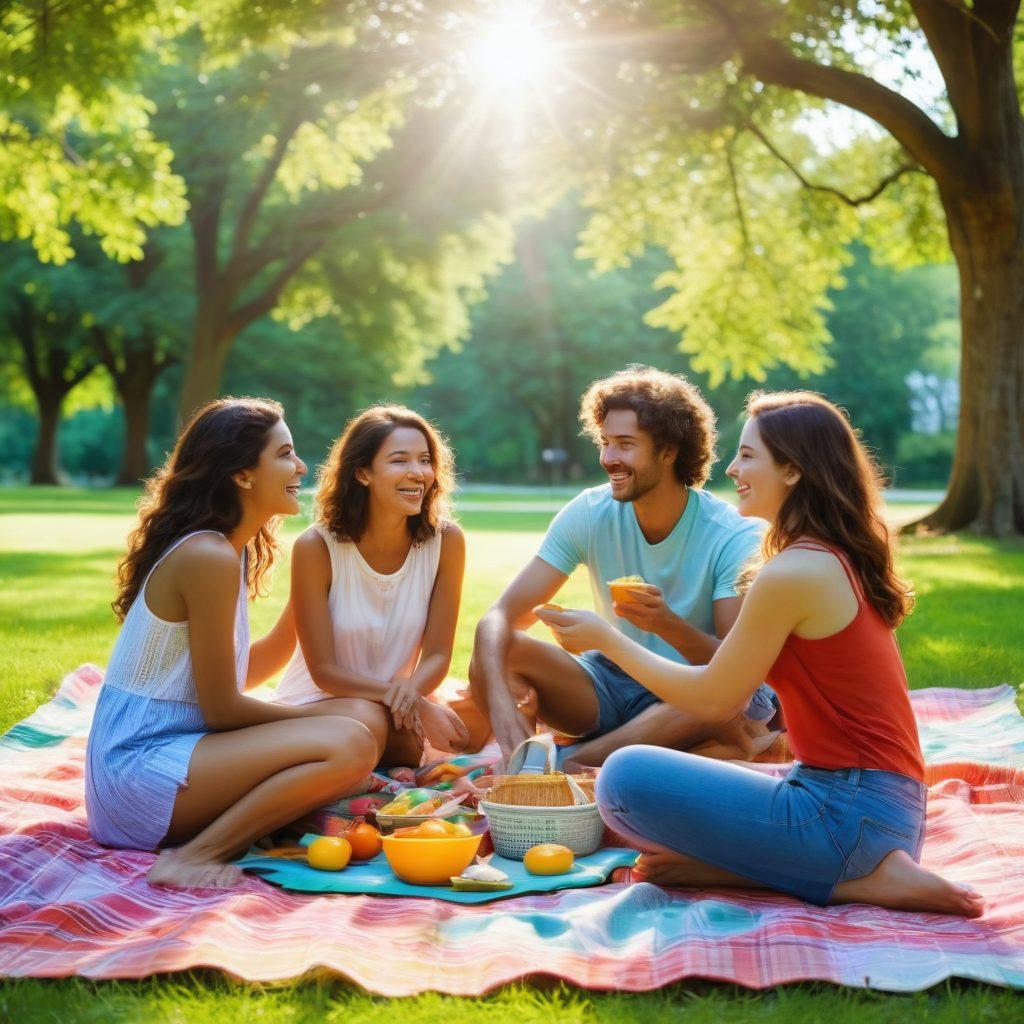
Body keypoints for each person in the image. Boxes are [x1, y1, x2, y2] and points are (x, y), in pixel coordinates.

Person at [536, 390, 984, 916]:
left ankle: (856, 882)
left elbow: (711, 698)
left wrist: (606, 637)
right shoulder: (827, 555)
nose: (730, 468)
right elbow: (749, 695)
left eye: (748, 455)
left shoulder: (793, 573)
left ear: (793, 471)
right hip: (879, 808)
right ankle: (763, 869)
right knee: (723, 777)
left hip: (852, 817)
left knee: (623, 778)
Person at [86, 398, 381, 889]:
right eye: (285, 454)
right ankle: (193, 857)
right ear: (243, 474)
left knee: (361, 719)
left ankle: (257, 822)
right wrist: (321, 723)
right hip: (137, 772)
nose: (301, 466)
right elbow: (222, 708)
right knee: (350, 741)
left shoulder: (226, 550)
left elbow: (245, 672)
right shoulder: (208, 555)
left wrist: (309, 597)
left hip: (178, 752)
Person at [469, 365, 778, 770]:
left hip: (688, 693)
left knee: (734, 697)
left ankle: (567, 763)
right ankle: (547, 756)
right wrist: (500, 708)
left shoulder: (731, 535)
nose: (608, 458)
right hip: (608, 684)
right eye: (605, 443)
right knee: (497, 648)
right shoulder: (590, 511)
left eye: (625, 445)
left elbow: (735, 666)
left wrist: (666, 624)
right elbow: (498, 617)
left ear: (669, 452)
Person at [273, 405, 469, 762]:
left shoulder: (447, 541)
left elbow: (438, 653)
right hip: (323, 705)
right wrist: (417, 705)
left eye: (425, 460)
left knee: (472, 719)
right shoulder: (316, 547)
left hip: (396, 707)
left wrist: (412, 694)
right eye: (399, 461)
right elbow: (325, 673)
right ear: (362, 472)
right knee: (378, 727)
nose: (418, 473)